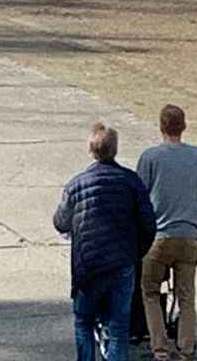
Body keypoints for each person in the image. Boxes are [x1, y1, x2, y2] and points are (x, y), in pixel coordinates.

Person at [54, 122, 157, 361]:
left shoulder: (77, 185)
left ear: (91, 150)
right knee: (119, 326)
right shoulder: (131, 182)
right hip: (122, 263)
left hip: (88, 265)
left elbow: (60, 221)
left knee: (84, 321)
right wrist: (136, 252)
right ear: (115, 149)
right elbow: (149, 223)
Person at [137, 105, 197, 361]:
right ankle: (186, 348)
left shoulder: (150, 158)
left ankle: (159, 348)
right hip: (189, 234)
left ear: (161, 126)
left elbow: (140, 198)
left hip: (158, 236)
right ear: (184, 126)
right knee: (186, 295)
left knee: (149, 291)